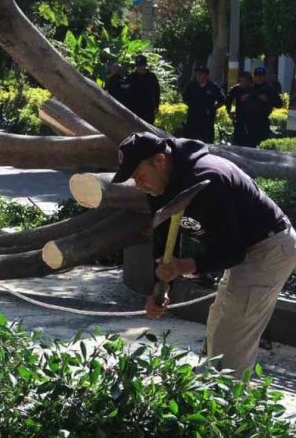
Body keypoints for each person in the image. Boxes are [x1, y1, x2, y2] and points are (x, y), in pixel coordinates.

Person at [112, 131, 296, 378]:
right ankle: (212, 383)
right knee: (218, 320)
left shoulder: (209, 178)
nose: (138, 184)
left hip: (268, 248)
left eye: (139, 175)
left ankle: (226, 397)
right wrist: (161, 287)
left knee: (231, 338)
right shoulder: (160, 184)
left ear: (159, 160)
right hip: (244, 249)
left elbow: (233, 251)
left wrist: (184, 266)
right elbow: (164, 234)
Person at [182, 65, 225, 143]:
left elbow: (222, 100)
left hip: (207, 119)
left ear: (206, 75)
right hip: (193, 118)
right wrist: (193, 107)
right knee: (190, 141)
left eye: (200, 74)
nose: (198, 76)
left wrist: (213, 109)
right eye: (197, 74)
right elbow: (185, 99)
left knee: (207, 141)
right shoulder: (191, 86)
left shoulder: (213, 87)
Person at [247, 66, 281, 146]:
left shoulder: (269, 89)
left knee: (261, 145)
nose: (259, 78)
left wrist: (268, 100)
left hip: (262, 122)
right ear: (254, 77)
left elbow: (279, 104)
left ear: (265, 77)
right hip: (249, 122)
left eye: (261, 76)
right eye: (257, 76)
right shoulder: (250, 88)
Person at [126, 55, 161, 124]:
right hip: (134, 107)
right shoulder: (131, 77)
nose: (139, 68)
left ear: (145, 65)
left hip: (148, 108)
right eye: (138, 66)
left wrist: (157, 105)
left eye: (141, 65)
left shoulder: (151, 76)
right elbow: (127, 92)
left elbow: (157, 91)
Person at [225, 71, 255, 146]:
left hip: (252, 119)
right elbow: (228, 100)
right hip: (239, 117)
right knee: (237, 140)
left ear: (248, 81)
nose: (241, 83)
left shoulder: (254, 89)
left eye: (243, 81)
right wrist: (229, 111)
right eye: (240, 81)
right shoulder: (236, 89)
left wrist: (249, 96)